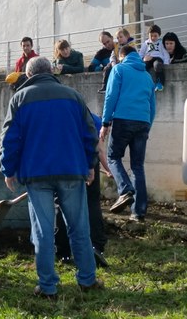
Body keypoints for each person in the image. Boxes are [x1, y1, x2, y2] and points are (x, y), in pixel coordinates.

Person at [0, 56, 102, 298]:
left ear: (29, 74)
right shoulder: (73, 96)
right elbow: (90, 134)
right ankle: (87, 280)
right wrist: (90, 165)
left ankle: (47, 287)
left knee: (44, 231)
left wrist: (8, 169)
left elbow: (9, 139)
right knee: (79, 227)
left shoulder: (19, 99)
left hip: (36, 174)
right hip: (71, 170)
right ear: (50, 72)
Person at [101, 44, 156, 222]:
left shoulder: (119, 69)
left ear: (122, 56)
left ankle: (125, 190)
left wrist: (105, 122)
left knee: (113, 157)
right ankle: (138, 213)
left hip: (123, 120)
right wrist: (147, 125)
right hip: (143, 122)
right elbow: (153, 106)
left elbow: (110, 96)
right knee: (137, 166)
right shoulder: (147, 76)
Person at [55, 112, 111, 268]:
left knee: (61, 205)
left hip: (64, 164)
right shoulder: (94, 119)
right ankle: (96, 246)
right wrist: (108, 169)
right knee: (92, 204)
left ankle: (63, 252)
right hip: (87, 163)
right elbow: (98, 149)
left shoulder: (61, 116)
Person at [98, 27, 137, 94]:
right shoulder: (117, 47)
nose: (119, 39)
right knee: (107, 67)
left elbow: (134, 56)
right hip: (117, 64)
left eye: (121, 37)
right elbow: (112, 56)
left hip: (127, 64)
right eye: (118, 38)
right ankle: (105, 86)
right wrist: (113, 63)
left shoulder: (131, 46)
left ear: (127, 36)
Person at [138, 24, 170, 91]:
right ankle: (145, 82)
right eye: (151, 36)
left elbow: (165, 53)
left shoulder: (161, 43)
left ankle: (160, 83)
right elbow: (141, 53)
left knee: (157, 65)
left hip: (158, 58)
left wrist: (166, 63)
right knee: (144, 66)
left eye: (155, 36)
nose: (153, 38)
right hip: (148, 58)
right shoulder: (146, 43)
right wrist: (143, 59)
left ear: (159, 35)